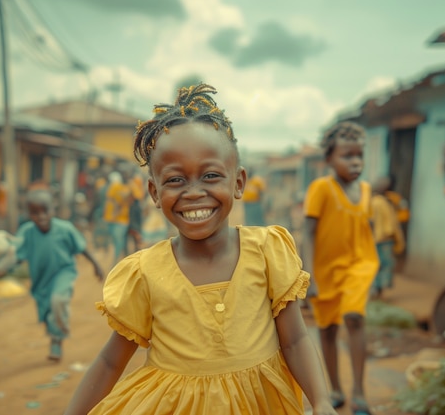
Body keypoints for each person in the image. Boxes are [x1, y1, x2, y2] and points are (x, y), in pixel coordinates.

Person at [64, 84, 336, 415]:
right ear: (154, 190)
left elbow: (294, 340)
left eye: (210, 176)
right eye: (176, 180)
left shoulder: (266, 252)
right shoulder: (146, 272)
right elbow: (110, 361)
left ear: (238, 182)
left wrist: (321, 401)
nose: (194, 192)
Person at [302, 121, 379, 415]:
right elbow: (308, 233)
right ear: (329, 159)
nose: (356, 161)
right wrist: (309, 275)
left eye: (359, 155)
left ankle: (359, 392)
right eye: (347, 155)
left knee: (354, 317)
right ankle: (335, 389)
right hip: (325, 270)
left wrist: (373, 266)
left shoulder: (367, 191)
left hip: (360, 264)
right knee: (328, 329)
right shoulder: (321, 188)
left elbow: (367, 228)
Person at [15, 189, 103, 361]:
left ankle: (57, 341)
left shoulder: (65, 229)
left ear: (53, 209)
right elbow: (17, 254)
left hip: (63, 273)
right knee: (47, 311)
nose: (41, 216)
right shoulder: (26, 232)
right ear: (28, 214)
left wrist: (96, 265)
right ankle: (54, 336)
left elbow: (82, 247)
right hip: (40, 279)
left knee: (58, 301)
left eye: (45, 211)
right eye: (34, 213)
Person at [369, 177, 405, 299]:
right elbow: (390, 225)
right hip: (383, 240)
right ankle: (376, 292)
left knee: (377, 266)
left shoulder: (379, 201)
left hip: (376, 240)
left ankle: (376, 292)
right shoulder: (380, 203)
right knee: (382, 266)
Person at [102, 171, 132, 264]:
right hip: (120, 220)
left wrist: (113, 214)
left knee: (116, 241)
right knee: (119, 241)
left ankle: (116, 260)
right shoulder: (127, 188)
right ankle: (118, 259)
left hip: (116, 220)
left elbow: (116, 203)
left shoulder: (115, 187)